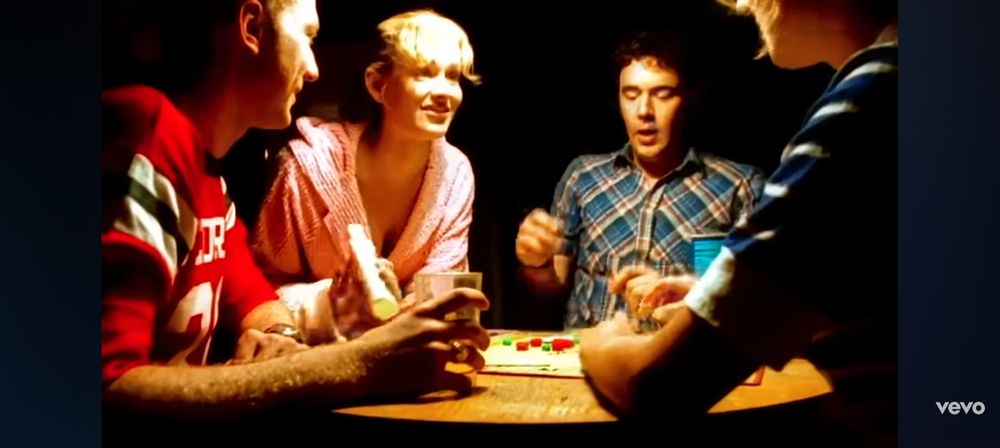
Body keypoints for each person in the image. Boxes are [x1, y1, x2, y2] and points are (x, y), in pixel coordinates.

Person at [102, 0, 490, 419]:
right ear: (252, 29)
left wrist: (282, 334)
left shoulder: (209, 179)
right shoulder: (149, 132)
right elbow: (104, 386)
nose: (314, 69)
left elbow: (254, 298)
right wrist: (357, 363)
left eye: (453, 76)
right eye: (307, 36)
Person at [580, 0, 897, 445]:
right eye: (631, 94)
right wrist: (717, 300)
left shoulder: (875, 99)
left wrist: (600, 339)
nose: (745, 5)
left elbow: (651, 386)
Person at [251, 9, 482, 343]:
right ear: (377, 84)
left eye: (452, 76)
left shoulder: (455, 174)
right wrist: (334, 301)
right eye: (424, 74)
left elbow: (442, 295)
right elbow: (258, 294)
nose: (445, 91)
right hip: (311, 360)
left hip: (407, 360)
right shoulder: (309, 166)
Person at [514, 29, 765, 331]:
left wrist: (683, 294)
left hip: (682, 356)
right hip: (588, 355)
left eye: (662, 94)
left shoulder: (737, 186)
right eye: (631, 95)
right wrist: (537, 260)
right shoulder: (583, 176)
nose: (644, 111)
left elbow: (761, 305)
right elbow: (550, 286)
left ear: (688, 98)